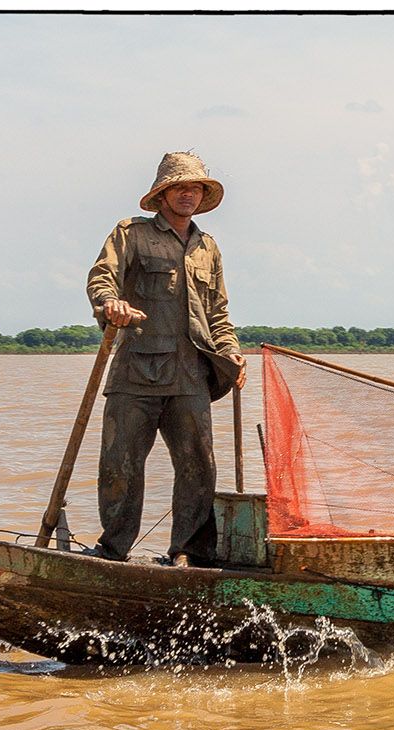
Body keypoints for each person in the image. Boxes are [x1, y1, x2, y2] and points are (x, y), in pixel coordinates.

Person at [85, 151, 246, 565]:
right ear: (162, 195)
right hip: (135, 371)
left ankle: (187, 552)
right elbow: (103, 278)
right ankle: (113, 550)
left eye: (195, 188)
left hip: (191, 374)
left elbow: (219, 313)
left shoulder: (207, 248)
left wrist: (231, 350)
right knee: (119, 466)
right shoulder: (132, 235)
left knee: (198, 466)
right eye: (179, 187)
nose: (187, 195)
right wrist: (110, 304)